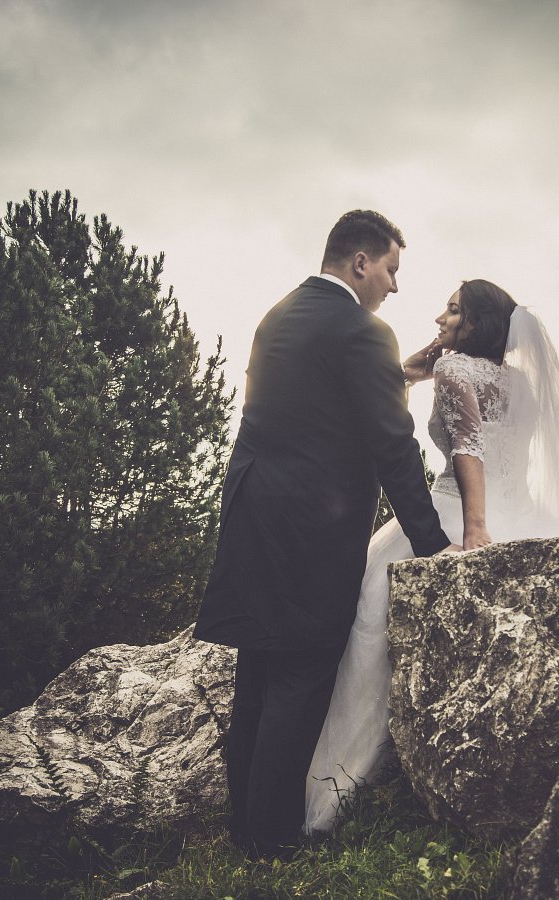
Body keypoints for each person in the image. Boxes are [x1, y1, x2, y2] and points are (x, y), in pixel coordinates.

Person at [304, 278, 559, 832]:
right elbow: (484, 431)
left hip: (459, 509)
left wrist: (476, 528)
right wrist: (425, 360)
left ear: (476, 325)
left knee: (368, 600)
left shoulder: (456, 369)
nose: (439, 317)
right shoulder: (523, 382)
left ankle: (344, 780)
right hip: (523, 509)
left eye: (453, 310)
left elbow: (468, 448)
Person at [193, 210, 456, 859]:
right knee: (300, 680)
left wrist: (398, 374)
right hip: (312, 534)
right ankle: (273, 843)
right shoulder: (365, 331)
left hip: (254, 518)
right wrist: (432, 546)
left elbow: (309, 403)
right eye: (391, 269)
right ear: (361, 263)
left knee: (257, 682)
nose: (395, 285)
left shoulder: (280, 314)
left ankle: (243, 830)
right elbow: (393, 447)